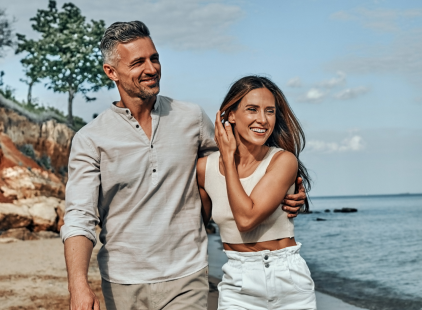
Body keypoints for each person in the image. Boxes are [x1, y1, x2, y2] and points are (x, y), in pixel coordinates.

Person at [60, 21, 306, 310]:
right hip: (122, 280)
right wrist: (78, 285)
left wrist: (285, 195)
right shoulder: (90, 138)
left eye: (155, 58)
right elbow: (79, 216)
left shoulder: (190, 117)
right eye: (138, 62)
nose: (151, 68)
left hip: (187, 277)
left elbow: (237, 165)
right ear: (111, 72)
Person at [197, 76, 317, 310]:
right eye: (252, 109)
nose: (262, 120)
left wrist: (229, 160)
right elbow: (192, 224)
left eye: (270, 111)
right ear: (231, 114)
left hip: (288, 280)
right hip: (237, 281)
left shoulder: (283, 161)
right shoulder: (204, 169)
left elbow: (246, 219)